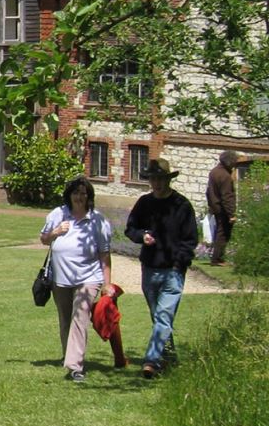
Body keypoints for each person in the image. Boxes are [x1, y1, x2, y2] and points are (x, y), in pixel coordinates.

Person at [126, 159, 199, 378]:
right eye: (153, 179)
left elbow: (190, 239)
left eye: (160, 179)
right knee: (158, 316)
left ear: (168, 179)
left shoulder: (181, 205)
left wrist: (179, 264)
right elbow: (131, 228)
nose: (156, 183)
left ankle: (152, 361)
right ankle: (169, 357)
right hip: (150, 268)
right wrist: (142, 236)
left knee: (164, 316)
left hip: (173, 271)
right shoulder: (144, 203)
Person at [41, 175, 115, 382]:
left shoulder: (97, 220)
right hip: (61, 278)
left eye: (83, 193)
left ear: (89, 196)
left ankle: (75, 367)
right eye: (76, 192)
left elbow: (104, 253)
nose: (79, 197)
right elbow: (44, 239)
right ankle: (69, 355)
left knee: (80, 317)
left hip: (88, 278)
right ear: (69, 195)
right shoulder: (58, 214)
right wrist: (56, 232)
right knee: (65, 319)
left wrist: (106, 283)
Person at [205, 150, 239, 266]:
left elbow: (208, 191)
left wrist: (210, 205)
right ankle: (217, 259)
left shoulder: (214, 172)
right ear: (230, 162)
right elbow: (227, 197)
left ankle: (217, 258)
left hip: (215, 206)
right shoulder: (225, 176)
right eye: (235, 162)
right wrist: (231, 214)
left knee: (219, 232)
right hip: (222, 208)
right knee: (223, 233)